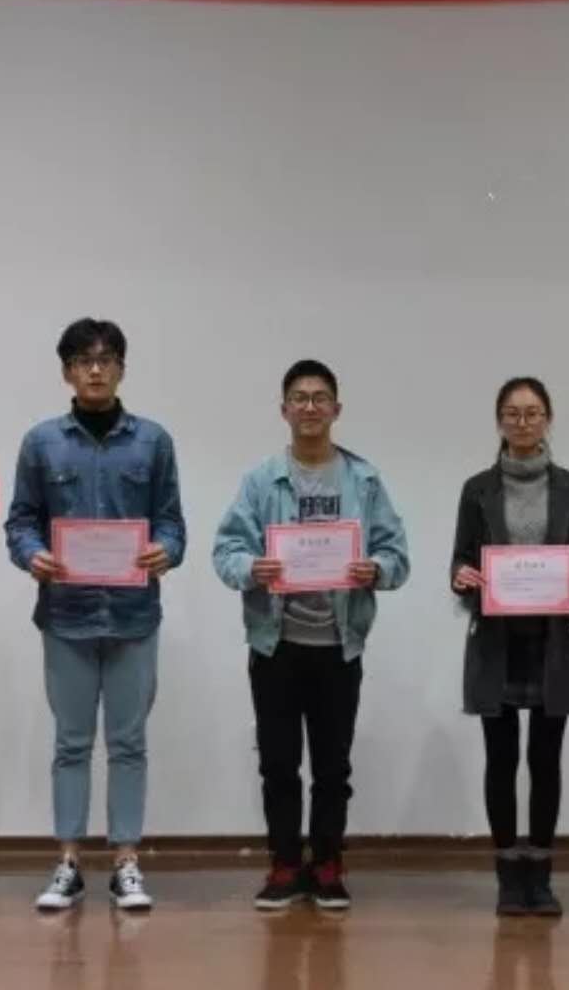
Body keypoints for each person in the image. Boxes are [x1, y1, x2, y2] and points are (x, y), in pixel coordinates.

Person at [212, 359, 410, 911]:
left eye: (320, 398)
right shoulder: (261, 480)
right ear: (283, 410)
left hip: (338, 645)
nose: (310, 407)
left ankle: (326, 864)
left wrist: (376, 569)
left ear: (336, 409)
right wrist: (252, 567)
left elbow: (397, 554)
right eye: (299, 398)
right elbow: (225, 550)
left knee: (332, 766)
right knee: (278, 763)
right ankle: (283, 864)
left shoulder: (364, 481)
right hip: (274, 645)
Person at [6, 318, 185, 913]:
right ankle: (68, 862)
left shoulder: (153, 441)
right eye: (84, 360)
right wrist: (32, 554)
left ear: (122, 369)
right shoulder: (41, 443)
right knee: (71, 743)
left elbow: (171, 521)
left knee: (129, 743)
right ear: (67, 372)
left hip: (134, 615)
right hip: (67, 615)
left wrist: (166, 550)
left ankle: (127, 861)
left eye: (106, 359)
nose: (96, 370)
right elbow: (21, 521)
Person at [450, 377, 569, 916]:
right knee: (500, 760)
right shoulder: (477, 488)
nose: (523, 422)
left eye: (533, 413)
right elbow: (461, 558)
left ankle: (540, 877)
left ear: (548, 420)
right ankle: (506, 879)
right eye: (513, 413)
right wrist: (462, 576)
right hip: (496, 642)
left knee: (545, 760)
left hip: (553, 641)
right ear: (499, 421)